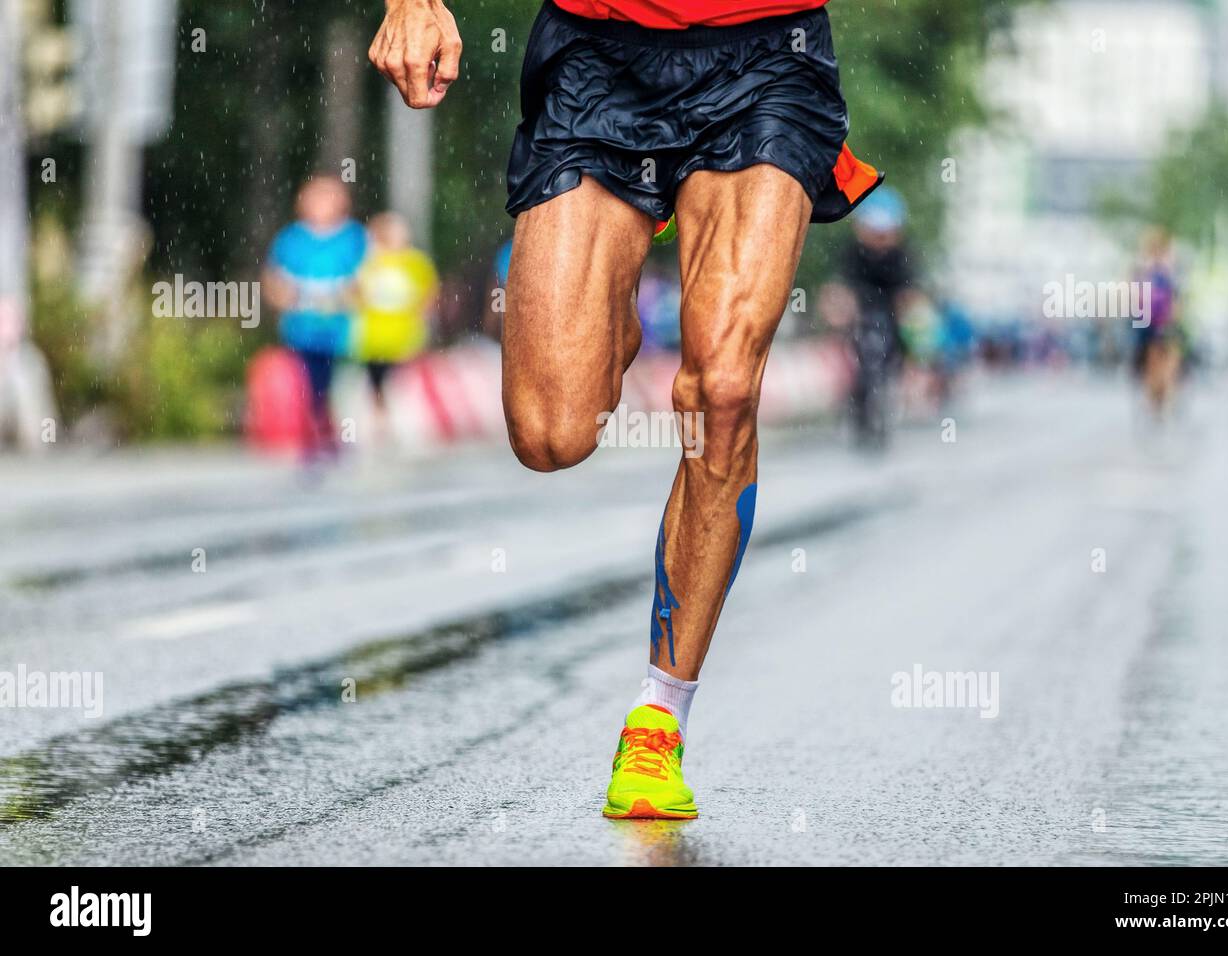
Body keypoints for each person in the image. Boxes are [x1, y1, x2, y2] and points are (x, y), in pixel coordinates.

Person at [370, 0, 882, 819]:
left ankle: (658, 721)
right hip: (596, 53)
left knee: (721, 389)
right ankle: (621, 296)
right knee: (549, 432)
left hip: (767, 54)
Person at [263, 176, 368, 461]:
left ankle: (336, 433)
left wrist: (346, 295)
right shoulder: (291, 239)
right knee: (309, 383)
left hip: (341, 331)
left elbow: (367, 277)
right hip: (302, 329)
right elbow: (274, 280)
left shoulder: (354, 237)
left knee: (339, 382)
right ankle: (314, 433)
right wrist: (287, 297)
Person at [353, 212, 438, 443]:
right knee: (377, 382)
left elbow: (430, 292)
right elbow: (357, 294)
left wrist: (422, 320)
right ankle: (382, 423)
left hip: (405, 335)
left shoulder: (415, 262)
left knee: (403, 382)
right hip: (375, 337)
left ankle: (410, 423)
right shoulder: (370, 263)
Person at [840, 186, 914, 446]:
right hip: (863, 313)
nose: (879, 238)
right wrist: (843, 305)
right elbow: (842, 286)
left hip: (891, 316)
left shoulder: (901, 255)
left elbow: (909, 289)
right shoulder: (853, 252)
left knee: (893, 359)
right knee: (860, 360)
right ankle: (859, 413)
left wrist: (909, 311)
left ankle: (886, 403)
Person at [1132, 228, 1180, 417]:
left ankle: (1151, 397)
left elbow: (1133, 297)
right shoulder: (1168, 270)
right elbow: (1175, 300)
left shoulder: (1142, 269)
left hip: (1143, 322)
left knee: (1150, 363)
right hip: (1164, 323)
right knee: (1169, 359)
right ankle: (1163, 396)